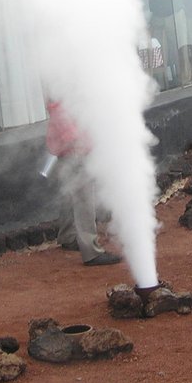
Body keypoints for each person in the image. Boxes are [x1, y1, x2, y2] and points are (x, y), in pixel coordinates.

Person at [44, 100, 121, 266]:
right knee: (84, 198)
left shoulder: (59, 83)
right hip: (75, 148)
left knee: (69, 193)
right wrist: (76, 141)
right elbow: (61, 114)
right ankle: (91, 251)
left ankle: (68, 237)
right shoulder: (64, 86)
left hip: (67, 147)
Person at [142, 0, 187, 85]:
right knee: (158, 51)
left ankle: (183, 79)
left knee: (180, 48)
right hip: (157, 17)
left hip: (175, 16)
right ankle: (162, 82)